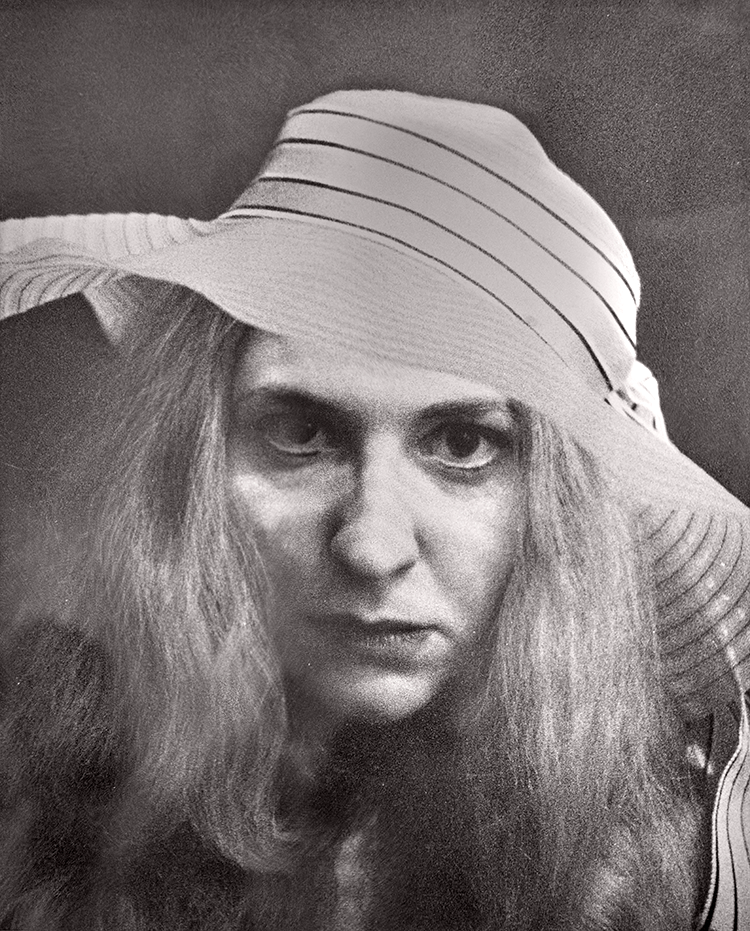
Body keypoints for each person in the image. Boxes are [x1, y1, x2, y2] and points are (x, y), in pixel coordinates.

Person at [0, 89, 748, 931]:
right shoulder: (35, 796)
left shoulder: (701, 867)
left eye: (463, 443)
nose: (371, 544)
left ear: (561, 511)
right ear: (198, 467)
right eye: (302, 434)